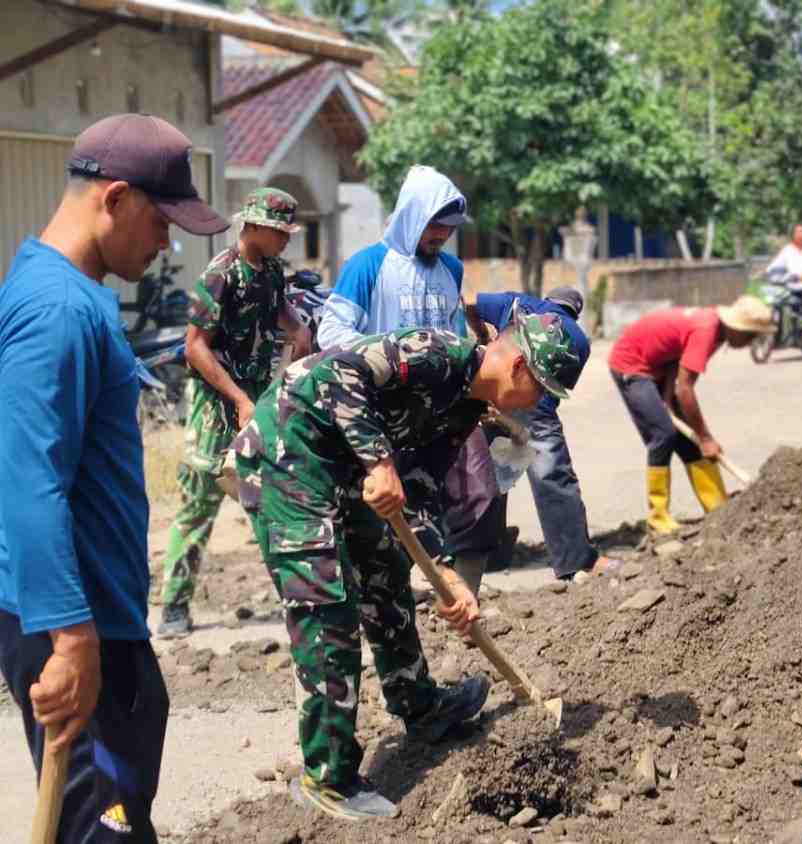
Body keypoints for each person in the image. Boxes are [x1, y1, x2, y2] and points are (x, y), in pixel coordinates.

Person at [232, 315, 583, 820]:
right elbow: (338, 372)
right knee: (327, 607)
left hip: (345, 469)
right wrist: (379, 462)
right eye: (542, 391)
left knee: (386, 573)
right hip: (290, 453)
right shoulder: (436, 354)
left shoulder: (465, 409)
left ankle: (420, 706)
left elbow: (418, 487)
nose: (538, 404)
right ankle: (327, 776)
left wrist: (446, 574)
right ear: (519, 367)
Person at [0, 114, 228, 842]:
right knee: (103, 830)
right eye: (162, 223)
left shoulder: (70, 292)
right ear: (116, 198)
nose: (167, 244)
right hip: (75, 620)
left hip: (100, 615)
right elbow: (28, 482)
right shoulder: (56, 311)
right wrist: (71, 640)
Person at [317, 166, 503, 602]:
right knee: (391, 510)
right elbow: (332, 333)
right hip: (385, 410)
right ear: (411, 216)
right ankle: (393, 599)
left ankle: (461, 600)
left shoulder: (451, 269)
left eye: (449, 228)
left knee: (480, 495)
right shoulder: (367, 265)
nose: (442, 235)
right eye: (435, 225)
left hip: (447, 408)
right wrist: (389, 355)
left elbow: (455, 334)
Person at [156, 188, 313, 638]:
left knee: (272, 498)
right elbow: (195, 347)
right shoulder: (220, 274)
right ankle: (173, 606)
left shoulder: (272, 270)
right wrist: (239, 400)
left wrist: (298, 329)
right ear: (255, 227)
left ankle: (299, 596)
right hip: (216, 406)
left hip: (257, 400)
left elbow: (276, 308)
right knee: (199, 504)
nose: (286, 239)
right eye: (280, 231)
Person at [468, 286, 617, 581]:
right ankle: (575, 559)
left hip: (498, 391)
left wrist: (482, 334)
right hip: (535, 408)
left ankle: (484, 554)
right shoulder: (578, 338)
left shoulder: (517, 302)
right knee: (552, 479)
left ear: (548, 300)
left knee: (488, 475)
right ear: (575, 312)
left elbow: (468, 302)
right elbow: (556, 386)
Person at [609, 297, 773, 534]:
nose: (750, 342)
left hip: (658, 365)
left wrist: (667, 397)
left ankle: (718, 507)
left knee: (688, 441)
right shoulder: (706, 330)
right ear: (735, 327)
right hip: (631, 363)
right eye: (750, 335)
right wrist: (706, 437)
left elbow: (677, 355)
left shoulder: (716, 331)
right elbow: (685, 389)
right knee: (663, 435)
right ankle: (658, 517)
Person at [766, 223, 802, 325]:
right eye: (796, 232)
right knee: (775, 300)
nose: (798, 235)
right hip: (790, 286)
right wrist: (765, 273)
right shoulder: (788, 249)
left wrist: (801, 277)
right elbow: (775, 264)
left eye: (801, 232)